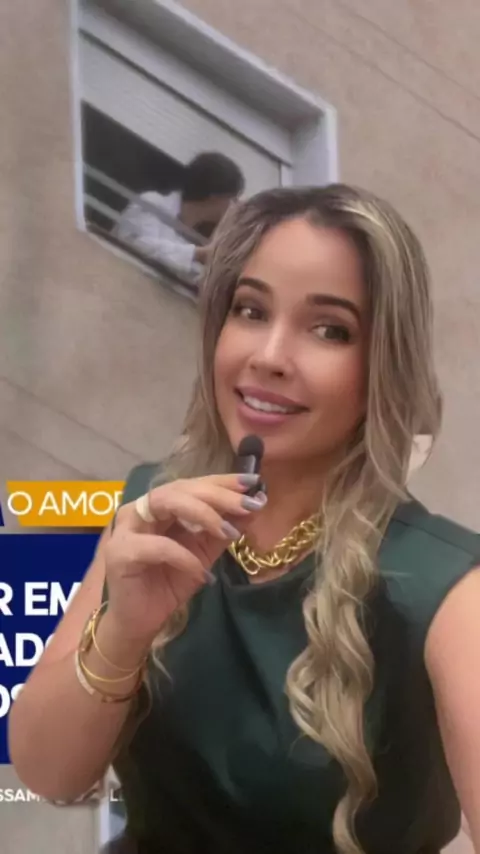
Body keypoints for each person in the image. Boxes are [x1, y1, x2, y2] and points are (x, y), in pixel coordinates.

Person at [9, 185, 480, 854]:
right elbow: (47, 774)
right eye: (251, 310)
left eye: (330, 329)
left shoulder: (448, 589)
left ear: (384, 363)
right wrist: (123, 630)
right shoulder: (153, 511)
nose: (269, 356)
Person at [114, 151, 245, 281]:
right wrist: (198, 254)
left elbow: (195, 279)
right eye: (233, 199)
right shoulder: (152, 203)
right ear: (214, 197)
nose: (235, 207)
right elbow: (140, 246)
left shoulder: (193, 239)